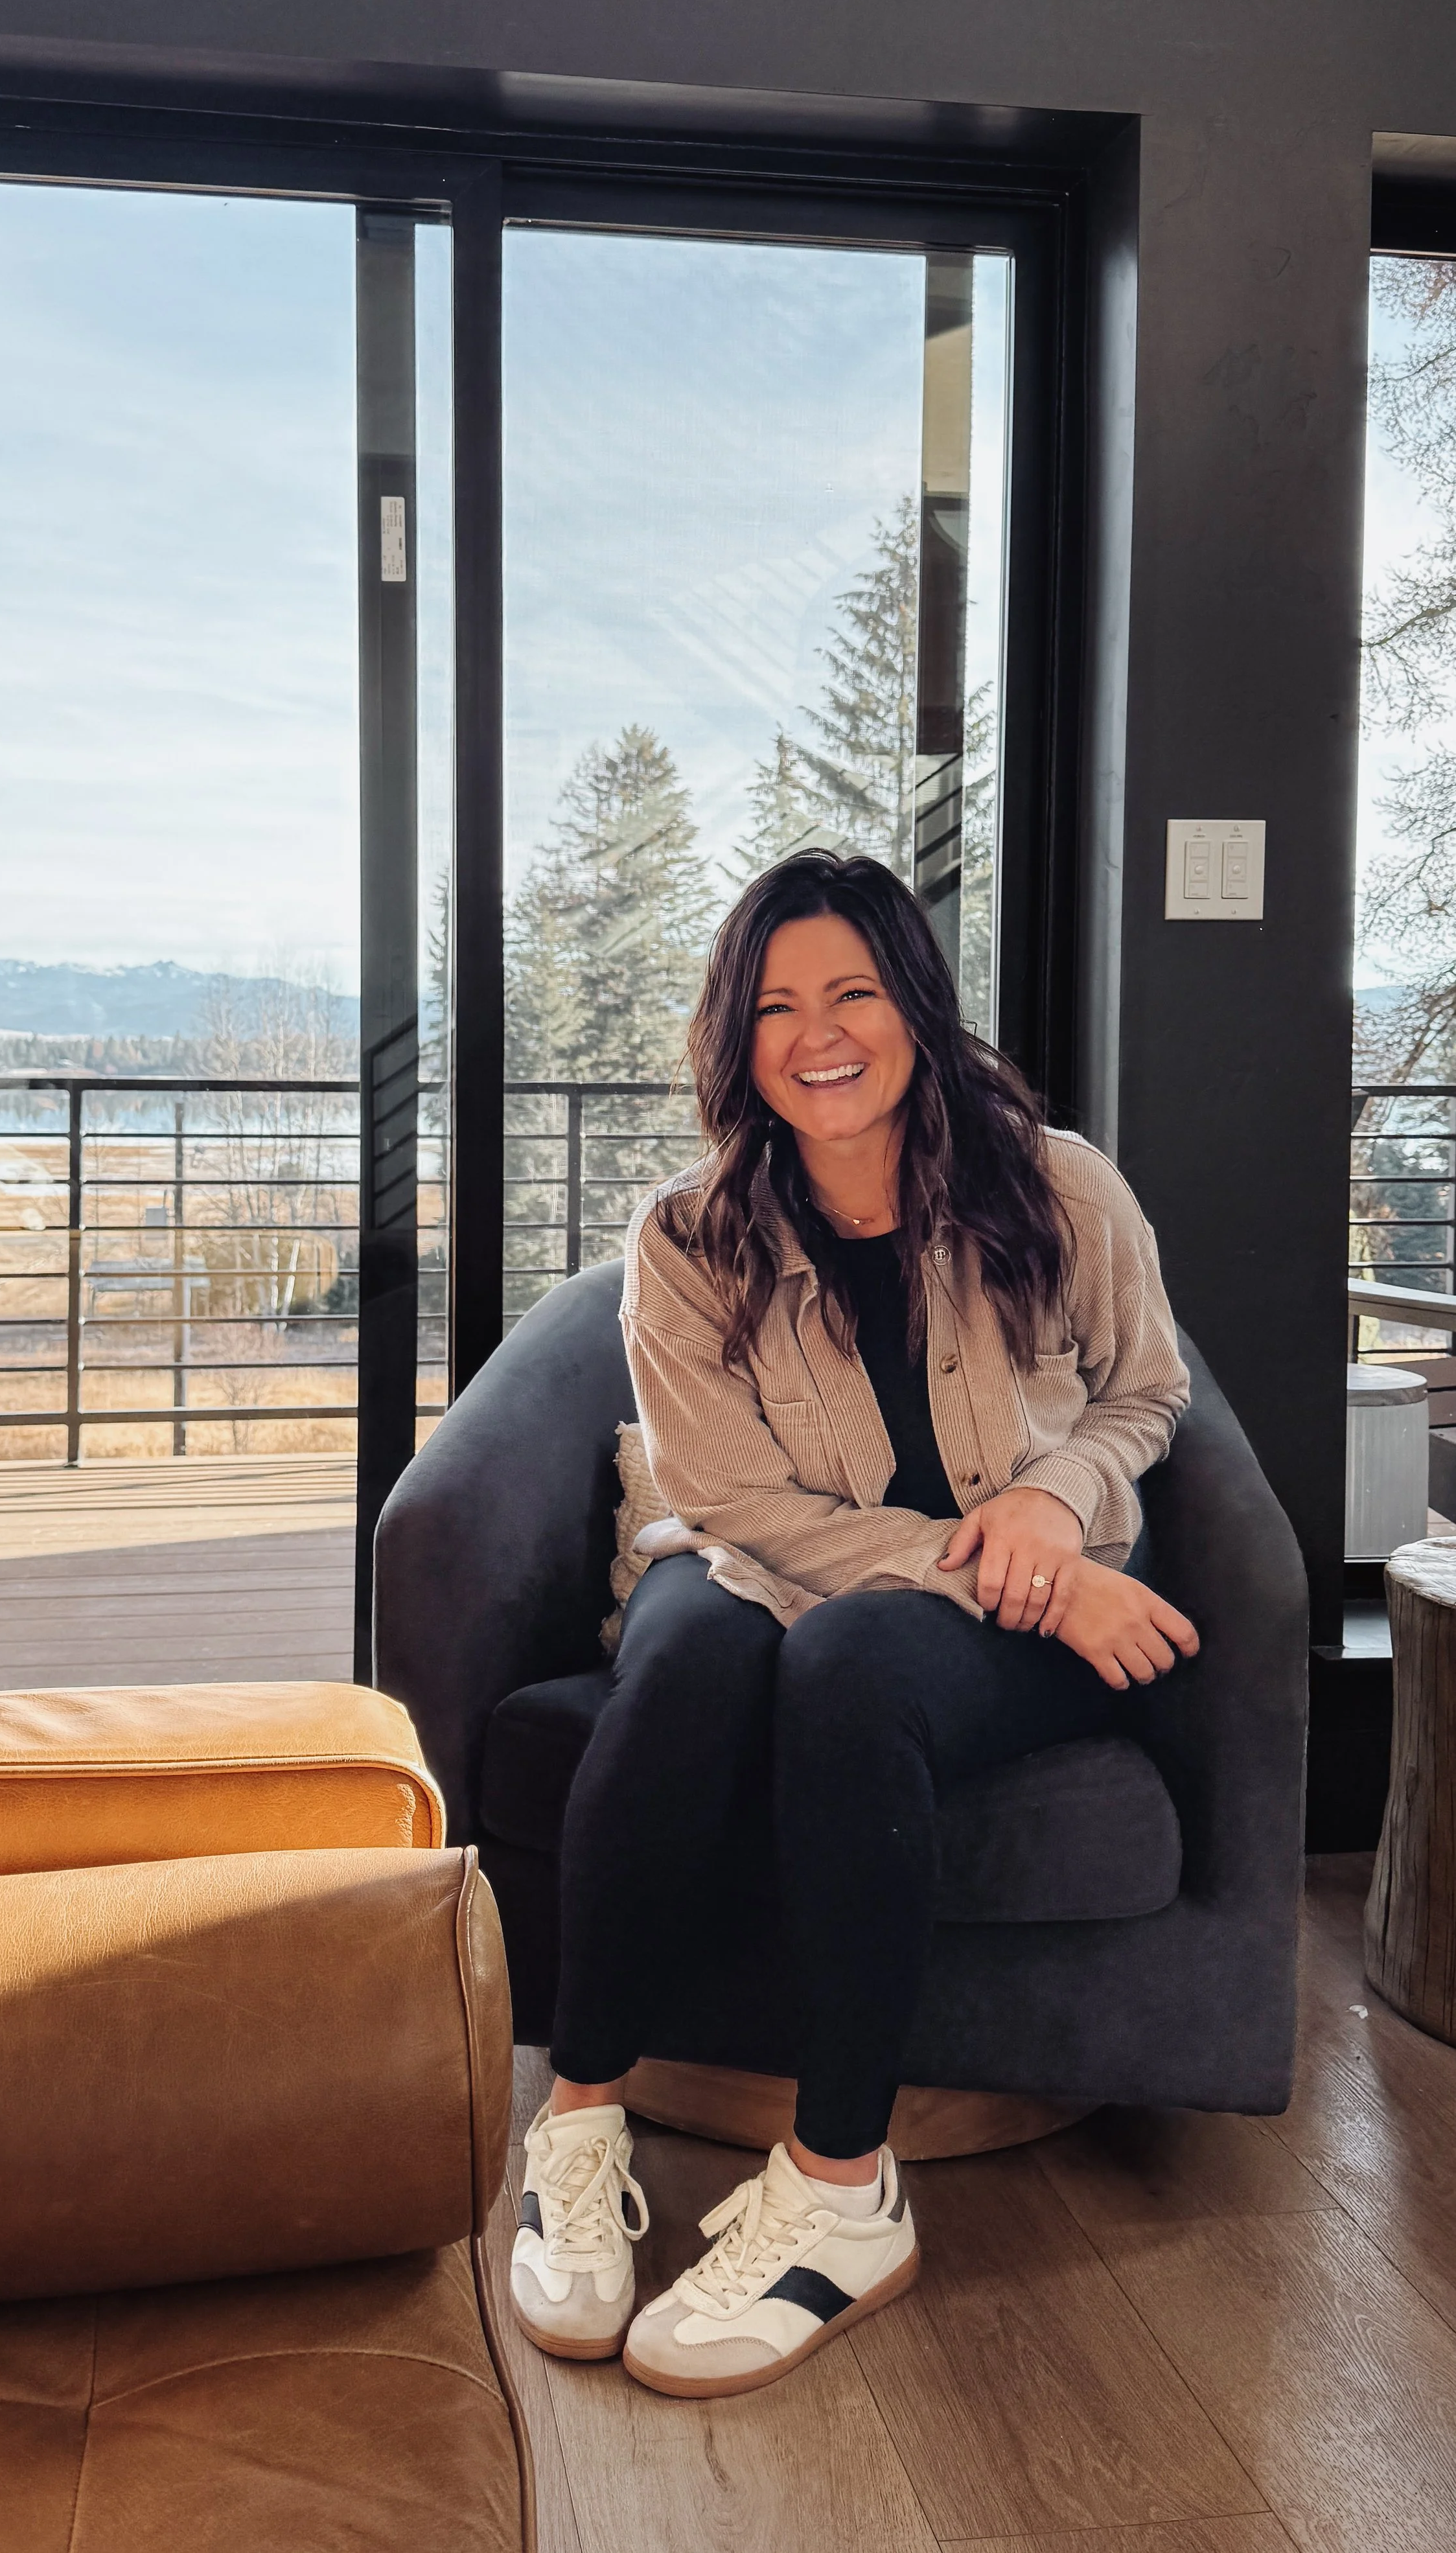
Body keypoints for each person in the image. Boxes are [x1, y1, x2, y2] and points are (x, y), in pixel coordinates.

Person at [509, 851, 1195, 2399]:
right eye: (772, 1006)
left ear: (912, 1004)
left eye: (850, 993)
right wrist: (1036, 1568)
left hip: (994, 1602)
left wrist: (1055, 1502)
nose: (815, 1033)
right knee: (684, 1653)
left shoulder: (1058, 1183)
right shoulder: (687, 1235)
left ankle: (837, 2190)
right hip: (779, 1552)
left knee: (848, 1662)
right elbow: (732, 1501)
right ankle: (578, 2122)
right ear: (733, 1039)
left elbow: (1147, 1391)